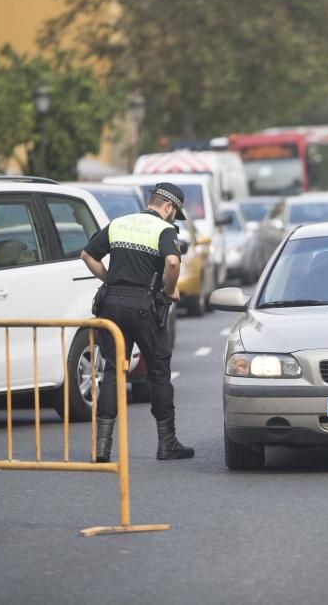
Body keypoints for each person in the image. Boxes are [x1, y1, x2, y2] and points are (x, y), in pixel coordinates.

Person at [81, 182, 194, 462]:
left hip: (112, 305)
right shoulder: (164, 230)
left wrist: (112, 281)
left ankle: (102, 448)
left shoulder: (119, 224)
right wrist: (169, 291)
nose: (172, 219)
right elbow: (172, 263)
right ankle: (167, 443)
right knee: (158, 372)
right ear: (168, 207)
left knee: (112, 371)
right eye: (173, 213)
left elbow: (87, 255)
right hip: (145, 307)